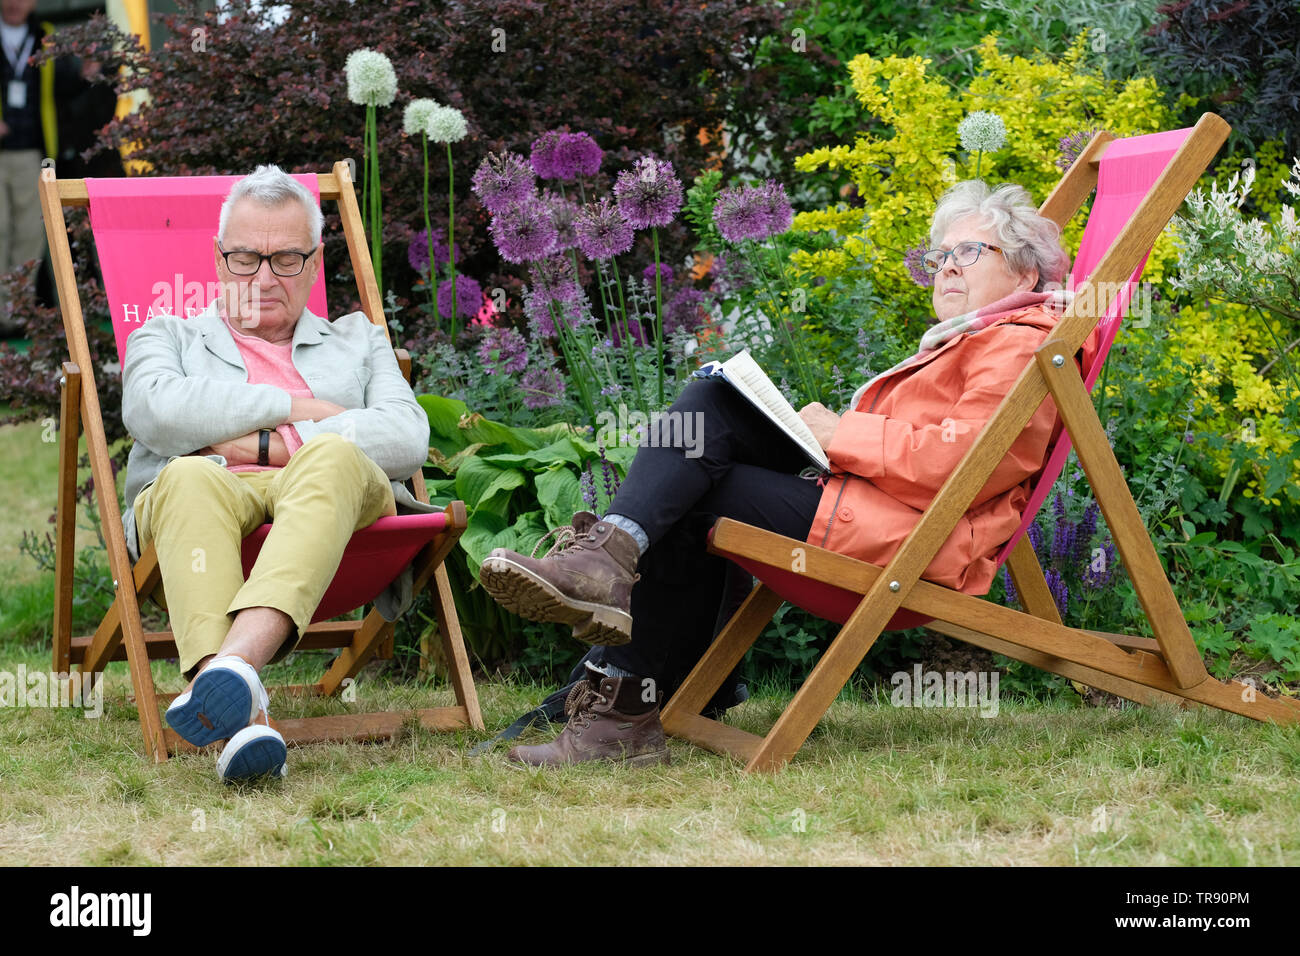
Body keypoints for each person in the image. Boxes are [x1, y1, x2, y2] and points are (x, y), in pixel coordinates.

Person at [480, 179, 1072, 767]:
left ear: (1024, 277)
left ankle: (620, 685)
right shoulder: (969, 340)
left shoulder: (1017, 346)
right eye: (939, 255)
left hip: (909, 540)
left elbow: (966, 463)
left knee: (693, 479)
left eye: (968, 252)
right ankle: (612, 574)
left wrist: (841, 433)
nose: (945, 267)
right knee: (713, 402)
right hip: (873, 509)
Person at [120, 165, 433, 782]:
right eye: (244, 258)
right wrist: (295, 408)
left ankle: (229, 675)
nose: (263, 278)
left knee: (336, 456)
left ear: (315, 263)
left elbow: (406, 435)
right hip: (205, 495)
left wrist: (260, 445)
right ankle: (244, 716)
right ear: (217, 258)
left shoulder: (360, 342)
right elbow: (153, 410)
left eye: (286, 259)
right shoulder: (167, 334)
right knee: (185, 476)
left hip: (333, 499)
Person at [0, 0, 100, 330]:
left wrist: (85, 73)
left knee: (31, 232)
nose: (14, 3)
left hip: (32, 152)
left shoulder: (46, 37)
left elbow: (66, 86)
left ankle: (14, 314)